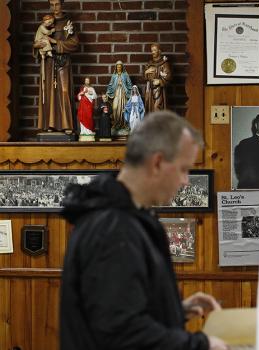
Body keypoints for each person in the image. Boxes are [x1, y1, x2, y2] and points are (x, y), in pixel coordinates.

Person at [60, 111, 228, 350]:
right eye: (183, 169)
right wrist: (202, 345)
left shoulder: (127, 216)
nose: (186, 181)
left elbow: (115, 309)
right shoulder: (113, 229)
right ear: (157, 162)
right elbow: (121, 334)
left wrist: (173, 310)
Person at [33, 0, 79, 132]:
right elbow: (37, 41)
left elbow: (74, 43)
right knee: (48, 92)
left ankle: (66, 125)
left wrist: (55, 42)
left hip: (62, 61)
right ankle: (50, 125)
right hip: (48, 62)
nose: (54, 8)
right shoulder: (46, 22)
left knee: (64, 91)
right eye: (52, 5)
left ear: (62, 4)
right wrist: (37, 46)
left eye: (57, 4)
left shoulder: (68, 23)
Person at [106, 60, 133, 135]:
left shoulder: (125, 75)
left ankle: (124, 125)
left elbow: (130, 85)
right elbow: (110, 85)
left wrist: (124, 86)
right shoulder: (114, 76)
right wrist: (108, 92)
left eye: (120, 67)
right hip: (116, 94)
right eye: (117, 67)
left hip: (123, 95)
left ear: (122, 67)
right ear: (116, 67)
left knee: (123, 109)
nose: (118, 68)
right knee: (115, 108)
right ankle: (116, 124)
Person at [144, 43, 172, 113]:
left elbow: (169, 76)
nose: (152, 52)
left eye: (154, 50)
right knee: (150, 109)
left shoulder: (164, 63)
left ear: (159, 51)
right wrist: (146, 72)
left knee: (157, 107)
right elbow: (144, 77)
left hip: (159, 90)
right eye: (152, 50)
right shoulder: (149, 63)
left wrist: (160, 81)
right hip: (150, 90)